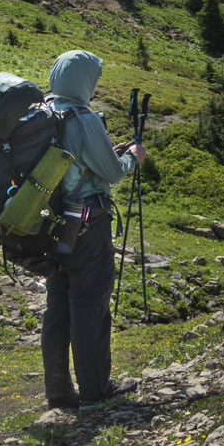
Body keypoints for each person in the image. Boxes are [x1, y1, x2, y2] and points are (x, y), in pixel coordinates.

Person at [42, 50, 141, 410]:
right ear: (85, 80)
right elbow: (112, 174)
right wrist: (132, 156)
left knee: (58, 306)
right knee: (90, 305)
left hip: (47, 225)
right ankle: (95, 391)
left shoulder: (40, 112)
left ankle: (58, 392)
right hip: (86, 222)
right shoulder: (83, 118)